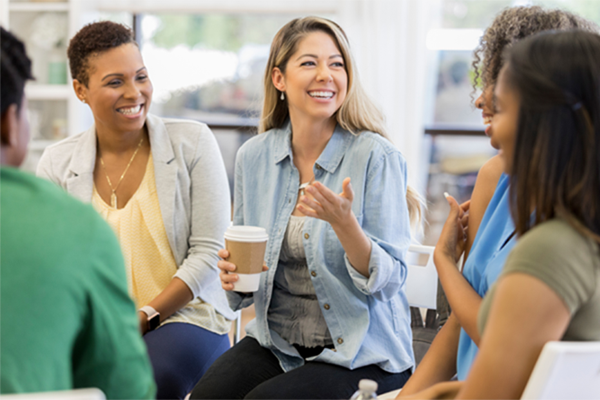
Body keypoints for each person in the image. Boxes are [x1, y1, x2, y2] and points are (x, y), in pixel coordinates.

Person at [190, 16, 422, 400]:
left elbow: (393, 278)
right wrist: (232, 276)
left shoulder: (375, 156)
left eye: (336, 64)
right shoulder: (255, 157)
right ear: (279, 78)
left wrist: (346, 226)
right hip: (276, 343)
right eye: (309, 63)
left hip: (361, 353)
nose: (326, 75)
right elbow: (245, 278)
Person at [399, 7, 597, 397]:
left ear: (543, 116)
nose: (480, 103)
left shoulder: (555, 247)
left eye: (502, 101)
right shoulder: (573, 221)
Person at [36, 21, 234, 400]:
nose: (135, 92)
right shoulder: (57, 164)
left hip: (186, 318)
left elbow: (208, 254)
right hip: (99, 326)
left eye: (140, 76)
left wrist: (143, 317)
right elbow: (54, 264)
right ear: (81, 90)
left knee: (137, 382)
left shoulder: (192, 143)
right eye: (115, 82)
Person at [0, 26, 155, 399]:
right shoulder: (74, 225)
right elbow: (125, 388)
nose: (133, 92)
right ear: (10, 122)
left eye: (140, 76)